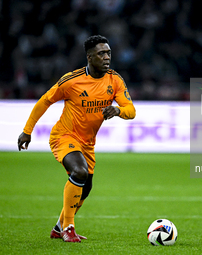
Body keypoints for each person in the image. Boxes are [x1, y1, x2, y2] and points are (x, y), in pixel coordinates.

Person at [17, 35, 136, 243]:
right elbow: (45, 101)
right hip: (64, 136)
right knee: (79, 172)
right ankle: (68, 228)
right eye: (101, 53)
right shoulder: (71, 80)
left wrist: (117, 110)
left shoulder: (115, 80)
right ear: (90, 57)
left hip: (87, 143)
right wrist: (27, 131)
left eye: (108, 53)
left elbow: (131, 110)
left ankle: (58, 227)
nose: (107, 57)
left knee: (86, 187)